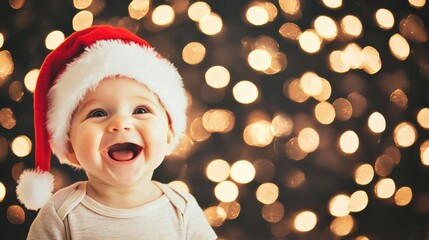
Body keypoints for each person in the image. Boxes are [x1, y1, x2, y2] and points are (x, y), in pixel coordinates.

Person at [16, 25, 217, 239]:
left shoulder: (183, 209)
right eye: (98, 113)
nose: (121, 123)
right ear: (70, 146)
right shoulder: (60, 214)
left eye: (141, 110)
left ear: (168, 135)